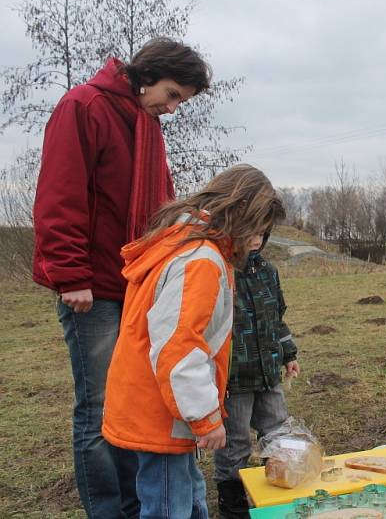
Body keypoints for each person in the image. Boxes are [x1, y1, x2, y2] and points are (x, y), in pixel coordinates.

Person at [31, 37, 212, 518]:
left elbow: (162, 202)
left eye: (182, 101)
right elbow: (59, 195)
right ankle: (109, 510)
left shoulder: (145, 124)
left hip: (138, 284)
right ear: (145, 76)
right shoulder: (82, 106)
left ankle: (139, 506)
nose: (173, 108)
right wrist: (70, 275)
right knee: (98, 409)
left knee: (132, 407)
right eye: (172, 94)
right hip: (92, 288)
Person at [101, 164, 285, 519]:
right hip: (161, 411)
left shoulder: (186, 244)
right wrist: (205, 418)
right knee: (168, 505)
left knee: (190, 494)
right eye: (257, 228)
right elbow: (180, 347)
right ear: (241, 215)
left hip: (162, 405)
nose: (257, 241)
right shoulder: (200, 261)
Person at [213, 233, 300, 519]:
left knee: (278, 433)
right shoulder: (219, 268)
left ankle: (277, 495)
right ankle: (233, 504)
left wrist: (288, 353)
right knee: (235, 443)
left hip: (269, 375)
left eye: (262, 232)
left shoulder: (268, 271)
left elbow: (277, 317)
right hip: (235, 379)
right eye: (249, 230)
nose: (256, 238)